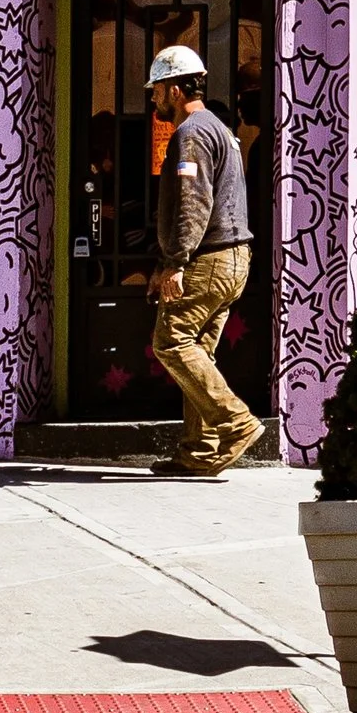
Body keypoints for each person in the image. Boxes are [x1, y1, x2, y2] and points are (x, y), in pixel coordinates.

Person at [142, 45, 259, 479]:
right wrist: (164, 264)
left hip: (209, 259)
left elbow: (194, 203)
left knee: (171, 342)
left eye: (156, 91)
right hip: (232, 260)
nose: (153, 98)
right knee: (199, 355)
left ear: (174, 89)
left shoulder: (190, 133)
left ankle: (235, 423)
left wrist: (176, 262)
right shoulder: (219, 128)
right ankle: (198, 452)